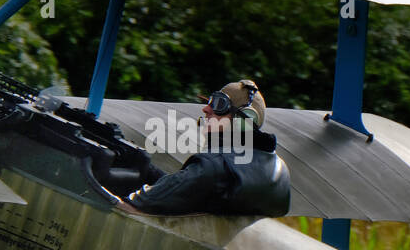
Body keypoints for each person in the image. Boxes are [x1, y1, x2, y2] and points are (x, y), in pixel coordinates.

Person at [122, 79, 291, 216]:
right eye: (210, 101)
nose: (206, 109)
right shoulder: (280, 171)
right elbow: (191, 187)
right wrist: (147, 169)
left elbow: (134, 205)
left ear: (245, 119)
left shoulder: (213, 167)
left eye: (219, 104)